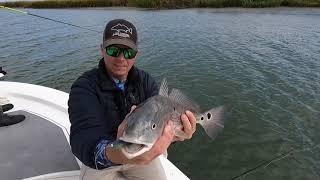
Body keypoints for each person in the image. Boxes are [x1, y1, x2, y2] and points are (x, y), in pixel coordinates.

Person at [68, 19, 196, 180]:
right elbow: (82, 140)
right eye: (114, 50)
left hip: (142, 151)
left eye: (128, 52)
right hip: (103, 160)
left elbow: (160, 124)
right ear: (102, 49)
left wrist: (177, 134)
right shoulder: (84, 87)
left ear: (136, 54)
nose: (121, 58)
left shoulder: (146, 82)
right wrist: (115, 151)